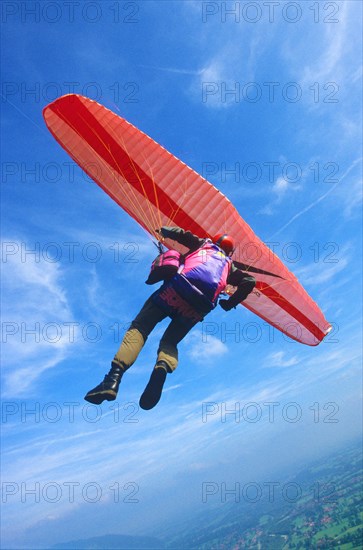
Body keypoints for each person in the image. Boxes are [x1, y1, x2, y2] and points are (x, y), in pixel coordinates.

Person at [84, 226, 256, 410]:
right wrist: (229, 304)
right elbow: (249, 282)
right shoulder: (230, 266)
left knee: (141, 327)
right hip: (198, 307)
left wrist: (163, 231)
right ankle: (162, 366)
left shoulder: (203, 244)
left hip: (175, 289)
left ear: (215, 241)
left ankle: (112, 380)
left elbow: (182, 234)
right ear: (230, 252)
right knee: (170, 343)